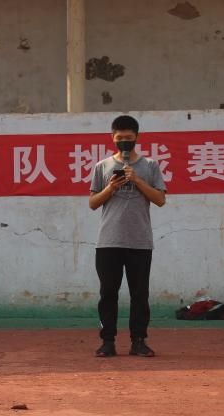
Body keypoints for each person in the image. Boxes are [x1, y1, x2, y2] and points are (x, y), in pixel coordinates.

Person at [88, 115, 167, 358]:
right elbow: (92, 202)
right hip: (108, 240)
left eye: (129, 137)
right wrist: (111, 187)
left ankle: (139, 340)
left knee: (139, 294)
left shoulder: (150, 166)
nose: (124, 141)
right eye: (119, 137)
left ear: (137, 137)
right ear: (112, 138)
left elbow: (160, 199)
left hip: (139, 241)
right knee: (108, 293)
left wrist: (137, 180)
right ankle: (107, 341)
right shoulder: (102, 166)